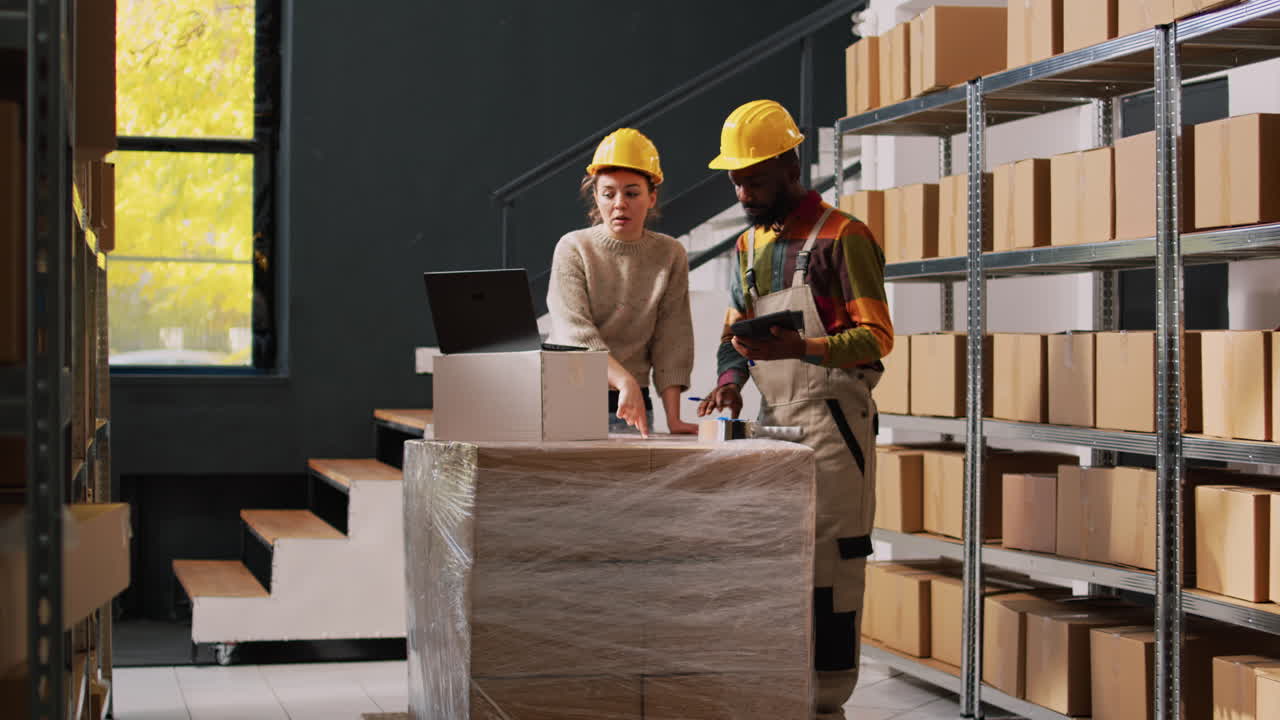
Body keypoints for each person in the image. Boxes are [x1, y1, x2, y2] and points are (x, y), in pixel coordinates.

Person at [696, 100, 894, 719]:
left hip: (835, 421)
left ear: (789, 164)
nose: (742, 190)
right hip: (771, 420)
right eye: (735, 178)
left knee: (831, 566)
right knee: (776, 560)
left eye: (753, 177)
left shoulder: (845, 237)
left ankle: (828, 700)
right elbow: (735, 335)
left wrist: (803, 348)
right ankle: (780, 693)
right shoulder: (748, 244)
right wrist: (730, 381)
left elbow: (878, 337)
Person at [546, 128, 697, 437]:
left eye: (632, 193)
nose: (619, 203)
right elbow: (575, 332)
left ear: (651, 197)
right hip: (572, 398)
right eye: (608, 193)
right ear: (596, 196)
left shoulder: (670, 254)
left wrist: (674, 418)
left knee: (636, 486)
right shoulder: (574, 247)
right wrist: (623, 380)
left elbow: (673, 338)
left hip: (634, 405)